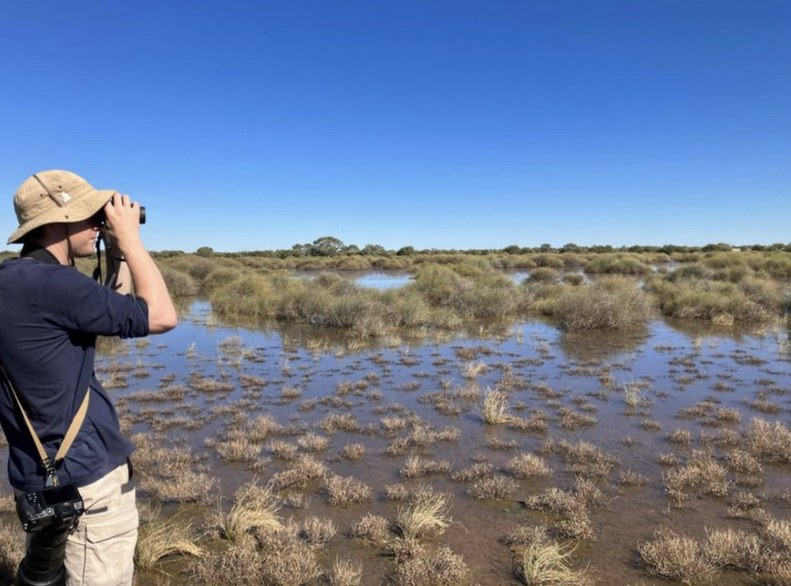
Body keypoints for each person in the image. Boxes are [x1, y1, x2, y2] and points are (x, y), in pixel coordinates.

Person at [0, 170, 177, 586]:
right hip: (87, 479)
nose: (100, 224)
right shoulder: (55, 286)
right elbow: (162, 316)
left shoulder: (16, 282)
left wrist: (114, 258)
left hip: (40, 471)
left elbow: (108, 312)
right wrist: (132, 243)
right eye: (90, 216)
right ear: (58, 220)